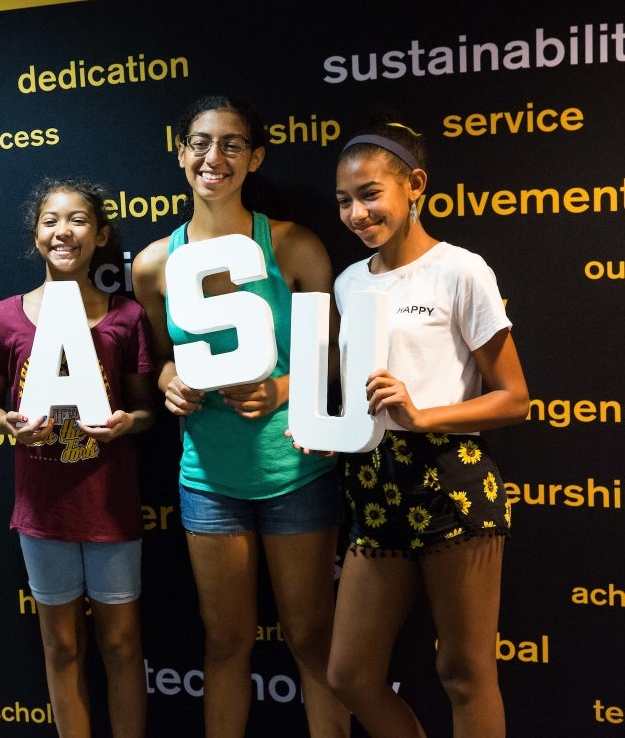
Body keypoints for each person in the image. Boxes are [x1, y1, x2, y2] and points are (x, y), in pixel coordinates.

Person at [132, 95, 351, 738]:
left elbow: (335, 355)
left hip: (297, 474)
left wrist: (281, 389)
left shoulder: (294, 246)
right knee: (225, 644)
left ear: (254, 158)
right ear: (180, 153)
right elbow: (160, 361)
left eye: (232, 145)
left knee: (313, 642)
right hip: (209, 482)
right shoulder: (153, 265)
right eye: (200, 142)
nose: (214, 158)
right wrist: (172, 383)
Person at [325, 119, 528, 738]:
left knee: (465, 673)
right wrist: (325, 428)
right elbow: (355, 393)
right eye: (343, 201)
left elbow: (515, 399)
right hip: (372, 486)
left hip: (452, 484)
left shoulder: (460, 270)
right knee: (350, 676)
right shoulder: (348, 281)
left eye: (369, 195)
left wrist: (421, 416)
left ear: (414, 186)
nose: (357, 214)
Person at [0, 178, 155, 738]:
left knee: (122, 646)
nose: (63, 231)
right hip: (43, 511)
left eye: (78, 220)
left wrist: (127, 424)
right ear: (36, 234)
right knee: (61, 647)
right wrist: (8, 425)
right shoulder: (3, 317)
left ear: (99, 236)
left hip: (111, 509)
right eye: (51, 219)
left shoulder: (126, 316)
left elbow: (145, 410)